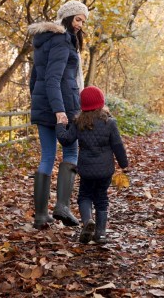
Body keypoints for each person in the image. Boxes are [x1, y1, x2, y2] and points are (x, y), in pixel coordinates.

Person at [28, 0, 88, 229]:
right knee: (71, 150)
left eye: (83, 20)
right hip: (61, 105)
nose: (80, 24)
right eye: (77, 19)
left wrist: (40, 105)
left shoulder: (43, 42)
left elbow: (35, 80)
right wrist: (59, 111)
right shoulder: (63, 42)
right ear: (67, 17)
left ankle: (41, 216)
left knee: (47, 156)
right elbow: (54, 79)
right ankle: (62, 206)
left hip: (44, 105)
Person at [56, 86, 129, 244]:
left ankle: (88, 221)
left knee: (85, 196)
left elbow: (66, 140)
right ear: (102, 103)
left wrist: (60, 125)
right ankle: (101, 233)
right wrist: (124, 164)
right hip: (105, 171)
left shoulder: (78, 123)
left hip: (86, 170)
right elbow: (118, 145)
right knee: (101, 199)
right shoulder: (110, 123)